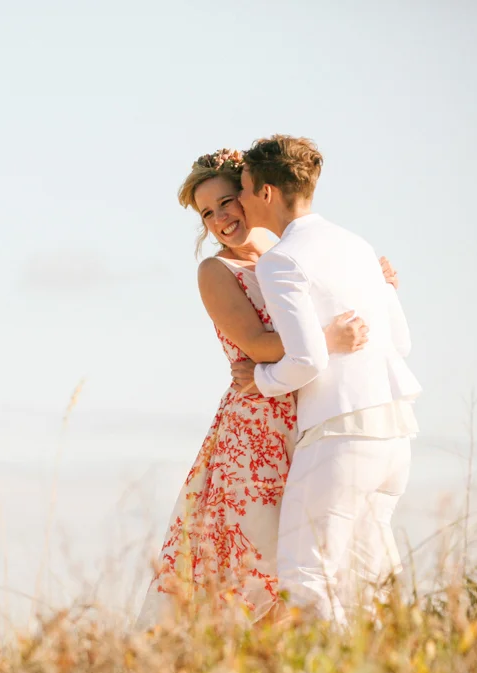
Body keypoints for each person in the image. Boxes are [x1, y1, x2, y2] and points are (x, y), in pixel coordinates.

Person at [134, 149, 399, 630]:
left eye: (226, 202)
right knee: (259, 563)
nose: (219, 219)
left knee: (322, 556)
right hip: (257, 427)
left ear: (256, 195)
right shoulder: (216, 273)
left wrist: (371, 284)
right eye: (207, 213)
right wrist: (330, 338)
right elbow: (257, 345)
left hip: (314, 418)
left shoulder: (293, 257)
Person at [231, 135, 421, 626]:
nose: (242, 199)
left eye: (246, 189)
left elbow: (308, 358)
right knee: (369, 579)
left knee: (303, 574)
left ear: (267, 192)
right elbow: (399, 340)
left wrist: (261, 377)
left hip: (339, 433)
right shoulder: (356, 244)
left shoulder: (282, 259)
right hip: (396, 432)